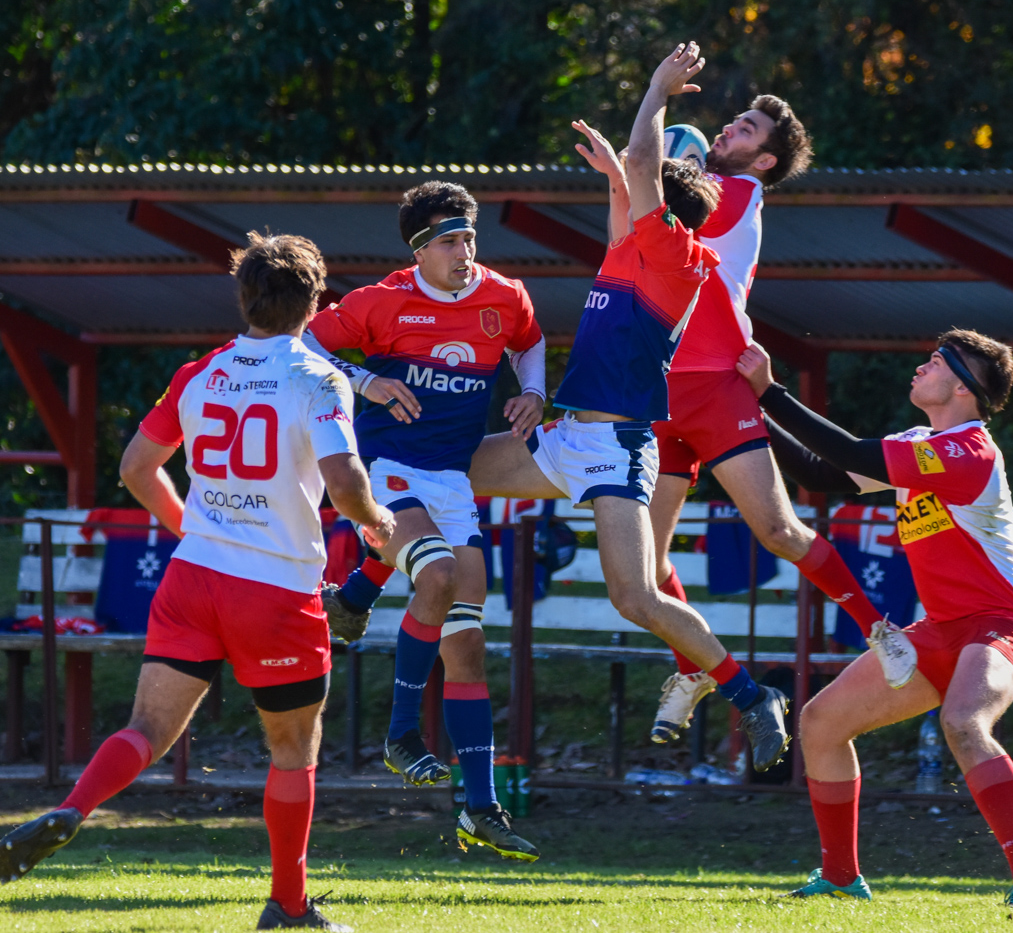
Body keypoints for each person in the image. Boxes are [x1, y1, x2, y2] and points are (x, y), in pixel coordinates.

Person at [0, 232, 397, 932]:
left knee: (147, 728)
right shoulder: (318, 377)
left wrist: (191, 530)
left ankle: (74, 806)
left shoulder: (199, 373)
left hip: (194, 576)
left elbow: (137, 467)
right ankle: (288, 906)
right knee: (293, 747)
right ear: (316, 300)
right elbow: (344, 480)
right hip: (274, 591)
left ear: (244, 298)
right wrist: (375, 520)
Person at [467, 42, 791, 773]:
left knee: (636, 598)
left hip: (616, 451)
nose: (633, 195)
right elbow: (633, 178)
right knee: (442, 464)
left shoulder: (677, 255)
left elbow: (645, 166)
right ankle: (357, 581)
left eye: (645, 191)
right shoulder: (631, 248)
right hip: (566, 438)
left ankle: (750, 696)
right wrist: (616, 168)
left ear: (664, 210)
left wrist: (656, 90)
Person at [735, 333, 1013, 908]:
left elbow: (854, 456)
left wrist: (769, 392)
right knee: (819, 724)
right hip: (941, 627)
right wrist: (741, 416)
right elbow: (821, 473)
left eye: (936, 362)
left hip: (1002, 624)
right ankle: (840, 879)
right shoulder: (920, 441)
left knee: (964, 722)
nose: (921, 366)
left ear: (963, 387)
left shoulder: (971, 450)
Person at [300, 180, 545, 862]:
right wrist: (363, 380)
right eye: (449, 241)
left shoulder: (503, 295)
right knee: (436, 575)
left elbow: (530, 339)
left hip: (451, 477)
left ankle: (480, 805)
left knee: (467, 643)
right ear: (419, 251)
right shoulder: (379, 302)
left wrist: (533, 389)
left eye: (469, 237)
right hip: (386, 465)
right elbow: (303, 349)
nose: (465, 251)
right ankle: (402, 732)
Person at [644, 96, 886, 746]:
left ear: (767, 157)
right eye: (735, 120)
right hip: (658, 388)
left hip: (720, 382)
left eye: (746, 128)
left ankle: (882, 632)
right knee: (645, 565)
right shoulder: (685, 188)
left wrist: (662, 120)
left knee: (779, 528)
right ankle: (690, 669)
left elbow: (659, 179)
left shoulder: (741, 191)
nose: (730, 128)